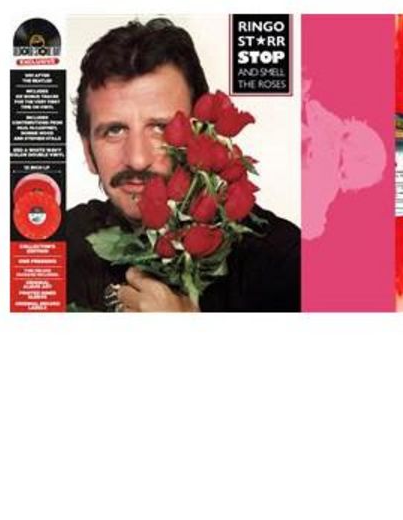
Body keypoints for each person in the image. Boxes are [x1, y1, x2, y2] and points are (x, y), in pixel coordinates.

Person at [66, 18, 301, 312]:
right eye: (114, 130)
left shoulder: (285, 262)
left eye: (160, 127)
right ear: (88, 151)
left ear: (204, 135)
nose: (137, 159)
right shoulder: (50, 248)